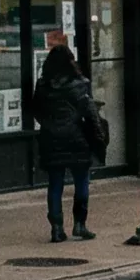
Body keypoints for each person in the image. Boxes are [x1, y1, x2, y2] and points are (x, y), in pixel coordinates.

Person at [32, 44, 104, 242]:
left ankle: (56, 228)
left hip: (51, 139)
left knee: (55, 184)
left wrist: (48, 124)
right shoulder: (81, 84)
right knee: (81, 182)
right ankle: (80, 225)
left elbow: (35, 110)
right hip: (77, 138)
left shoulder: (42, 85)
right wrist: (98, 137)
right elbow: (90, 114)